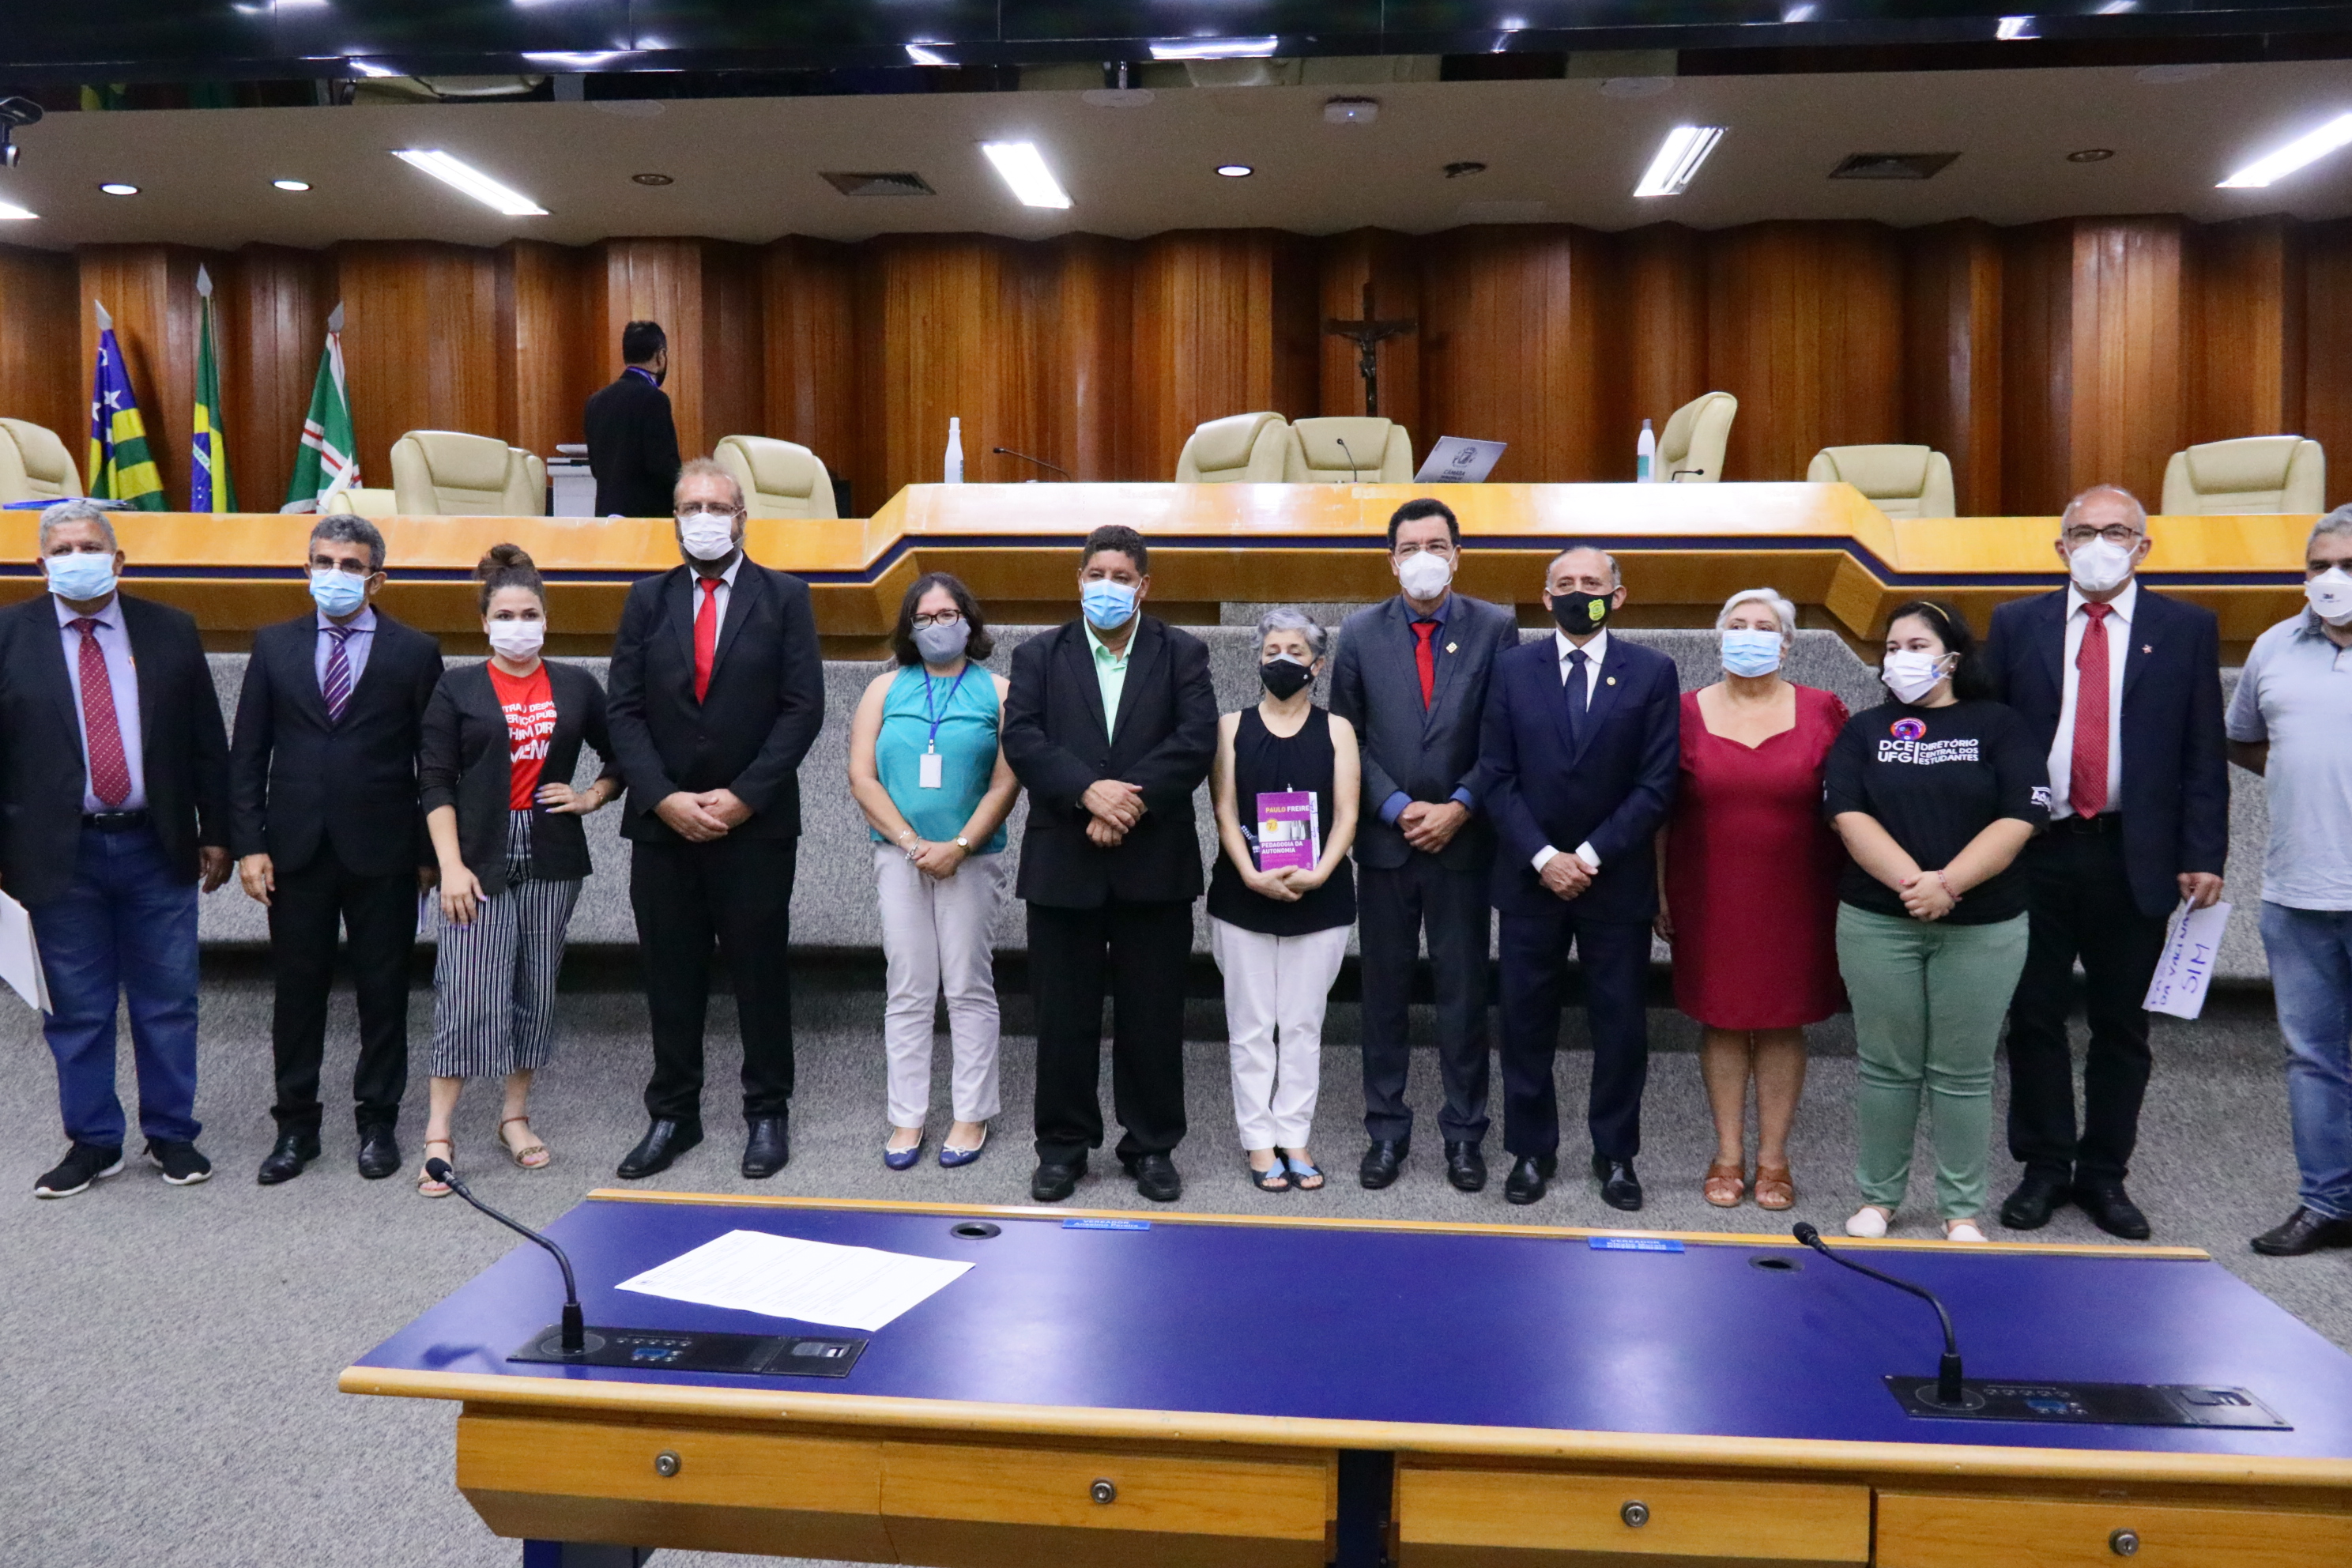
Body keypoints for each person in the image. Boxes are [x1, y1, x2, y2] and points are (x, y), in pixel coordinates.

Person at [1984, 486, 2228, 1240]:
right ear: (2060, 546)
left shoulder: (2185, 628)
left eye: (2117, 531)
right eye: (2084, 531)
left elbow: (2203, 752)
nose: (2099, 543)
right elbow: (1992, 736)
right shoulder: (2016, 623)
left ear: (2143, 547)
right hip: (2036, 849)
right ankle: (2044, 1166)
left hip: (2135, 852)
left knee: (2122, 1024)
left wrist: (2203, 852)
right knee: (2033, 1016)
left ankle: (2104, 1173)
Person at [2, 500, 232, 1198]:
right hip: (54, 854)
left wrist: (218, 831)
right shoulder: (8, 636)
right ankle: (94, 1141)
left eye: (90, 547)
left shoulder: (170, 630)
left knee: (168, 1001)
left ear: (119, 559)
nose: (78, 559)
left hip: (155, 845)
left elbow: (205, 741)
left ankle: (171, 1133)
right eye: (63, 550)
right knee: (76, 1008)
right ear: (40, 565)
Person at [605, 456, 824, 1180]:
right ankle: (674, 1114)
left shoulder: (785, 597)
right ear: (674, 519)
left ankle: (767, 1112)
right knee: (670, 975)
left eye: (716, 507)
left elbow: (802, 709)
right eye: (690, 507)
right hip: (661, 825)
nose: (703, 518)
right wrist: (663, 796)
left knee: (760, 973)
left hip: (754, 825)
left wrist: (745, 796)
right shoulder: (646, 599)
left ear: (741, 519)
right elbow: (623, 710)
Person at [1002, 524, 1217, 1204]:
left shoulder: (1183, 652)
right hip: (1063, 861)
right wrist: (1087, 792)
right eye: (1097, 575)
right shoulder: (1039, 654)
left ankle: (1151, 1146)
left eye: (1122, 577)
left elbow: (1195, 741)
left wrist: (1127, 803)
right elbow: (1023, 738)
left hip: (1154, 863)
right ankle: (1063, 1148)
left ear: (1144, 586)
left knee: (1152, 1017)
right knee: (1062, 1018)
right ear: (1079, 580)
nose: (1108, 587)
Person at [232, 514, 444, 1185]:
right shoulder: (274, 645)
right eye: (323, 563)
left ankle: (378, 1121)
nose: (335, 575)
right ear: (306, 570)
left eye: (351, 566)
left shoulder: (415, 651)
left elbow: (434, 762)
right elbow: (248, 755)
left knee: (383, 991)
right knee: (298, 993)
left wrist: (429, 854)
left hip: (384, 851)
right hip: (294, 850)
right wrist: (248, 845)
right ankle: (296, 1126)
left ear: (376, 578)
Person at [1826, 601, 2042, 1243]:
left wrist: (1947, 885)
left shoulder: (2000, 725)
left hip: (1984, 925)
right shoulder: (1864, 730)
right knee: (1885, 1066)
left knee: (1963, 1071)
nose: (1901, 658)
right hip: (1878, 922)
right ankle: (1879, 1199)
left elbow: (2021, 817)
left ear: (1952, 657)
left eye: (1916, 645)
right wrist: (1913, 886)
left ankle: (1961, 1209)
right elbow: (1848, 815)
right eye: (1892, 647)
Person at [414, 545, 623, 1197]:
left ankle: (514, 1116)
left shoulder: (577, 685)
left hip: (553, 853)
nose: (518, 625)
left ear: (546, 619)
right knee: (468, 988)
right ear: (484, 623)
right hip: (477, 853)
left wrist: (591, 796)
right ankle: (439, 1134)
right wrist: (450, 866)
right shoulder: (457, 687)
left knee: (536, 986)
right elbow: (435, 780)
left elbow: (622, 755)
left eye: (529, 614)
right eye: (504, 615)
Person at [1480, 546, 1679, 1209]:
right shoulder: (1511, 670)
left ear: (1617, 596)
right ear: (1545, 598)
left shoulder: (1652, 672)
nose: (1577, 592)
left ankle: (1616, 1155)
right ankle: (1529, 1151)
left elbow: (1657, 784)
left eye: (1591, 583)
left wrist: (1588, 857)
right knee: (1524, 1022)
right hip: (1529, 879)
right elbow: (1496, 776)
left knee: (1620, 1026)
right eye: (1564, 583)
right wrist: (1545, 858)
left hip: (1614, 881)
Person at [1330, 498, 1514, 1193]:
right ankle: (1386, 1131)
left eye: (1436, 545)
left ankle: (1465, 1135)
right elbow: (1346, 734)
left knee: (1463, 998)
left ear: (1458, 555)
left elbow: (1505, 733)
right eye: (1409, 548)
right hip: (1387, 843)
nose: (1423, 558)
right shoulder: (1359, 632)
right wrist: (1396, 806)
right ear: (1391, 560)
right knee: (1383, 996)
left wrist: (1461, 805)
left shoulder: (1495, 627)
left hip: (1463, 844)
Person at [1657, 588, 1847, 1212]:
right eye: (1737, 624)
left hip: (1800, 894)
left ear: (1786, 645)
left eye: (1764, 627)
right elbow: (1660, 812)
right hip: (1708, 891)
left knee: (1782, 1018)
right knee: (1722, 1016)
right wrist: (1659, 890)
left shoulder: (1824, 710)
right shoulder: (1681, 712)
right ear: (1719, 637)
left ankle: (1774, 1159)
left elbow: (1852, 805)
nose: (1749, 635)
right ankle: (1728, 1153)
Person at [846, 572, 1020, 1170]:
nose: (937, 627)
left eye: (948, 615)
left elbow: (1006, 782)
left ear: (969, 622)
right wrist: (912, 842)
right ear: (909, 628)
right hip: (899, 856)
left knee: (969, 985)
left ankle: (971, 1114)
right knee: (908, 987)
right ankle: (907, 1118)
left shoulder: (999, 691)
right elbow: (862, 777)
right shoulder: (883, 689)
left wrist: (960, 845)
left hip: (972, 858)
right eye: (924, 618)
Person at [2229, 507, 2352, 1257]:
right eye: (2319, 565)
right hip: (2297, 891)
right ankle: (2327, 1202)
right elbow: (2243, 738)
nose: (2332, 579)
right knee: (2313, 1057)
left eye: (2348, 566)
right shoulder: (2275, 644)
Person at [1208, 609, 1360, 1193]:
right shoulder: (1230, 727)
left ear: (1317, 665)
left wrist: (1320, 873)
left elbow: (1347, 814)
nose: (1282, 660)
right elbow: (1223, 810)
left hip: (1319, 896)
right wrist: (1250, 873)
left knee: (1302, 1025)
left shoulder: (1338, 730)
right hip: (1243, 892)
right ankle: (1258, 1140)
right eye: (1272, 650)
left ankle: (1295, 1136)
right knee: (1250, 1026)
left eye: (1296, 651)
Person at [583, 319, 683, 519]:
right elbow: (664, 467)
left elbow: (595, 469)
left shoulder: (595, 401)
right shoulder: (655, 399)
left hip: (606, 516)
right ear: (660, 356)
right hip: (647, 520)